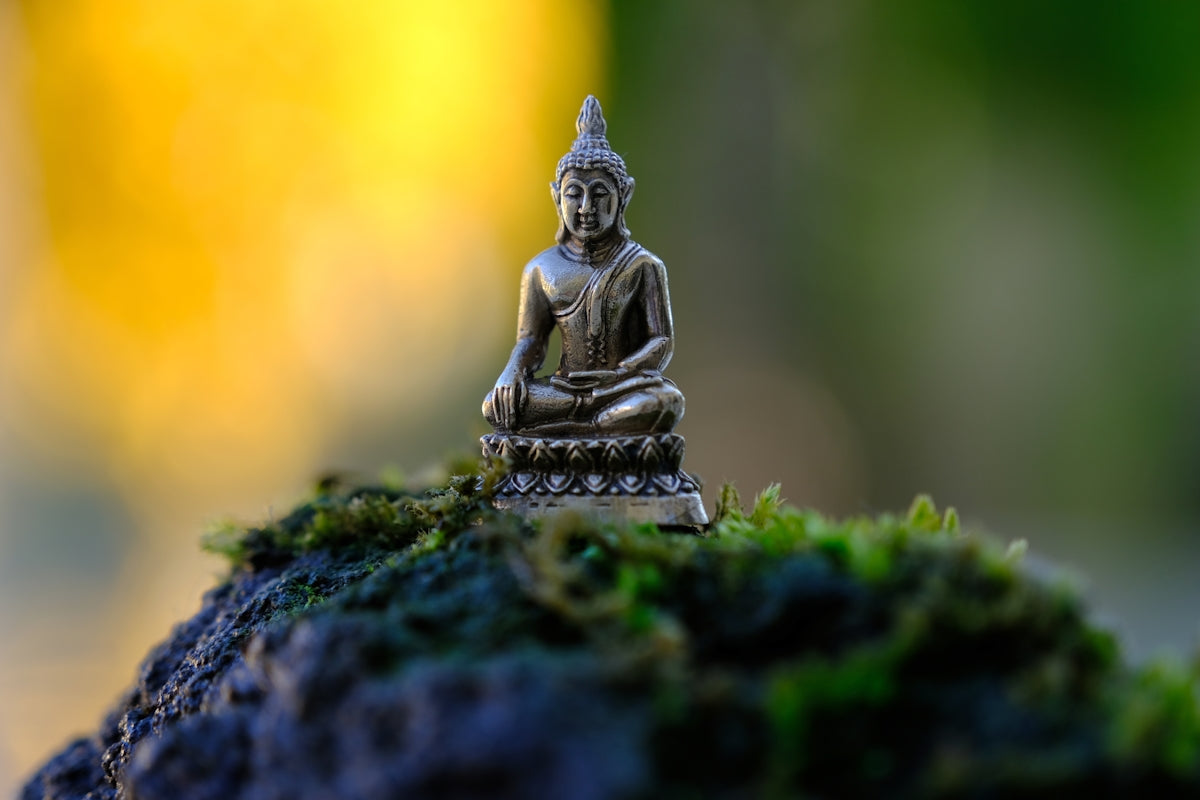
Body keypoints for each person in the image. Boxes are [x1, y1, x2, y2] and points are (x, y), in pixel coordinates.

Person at [483, 96, 685, 438]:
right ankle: (597, 430)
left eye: (600, 194)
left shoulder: (642, 265)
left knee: (665, 401)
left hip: (619, 389)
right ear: (556, 197)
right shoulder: (541, 268)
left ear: (624, 196)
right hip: (563, 390)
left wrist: (620, 373)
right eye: (574, 194)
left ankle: (577, 432)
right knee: (496, 406)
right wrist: (512, 372)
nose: (586, 207)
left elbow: (661, 340)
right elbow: (532, 339)